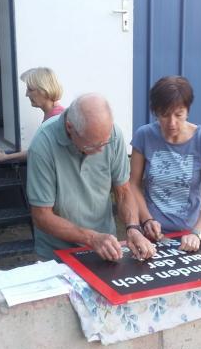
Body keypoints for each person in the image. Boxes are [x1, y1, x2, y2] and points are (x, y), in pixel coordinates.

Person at [26, 93, 155, 261]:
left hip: (105, 246)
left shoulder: (113, 135)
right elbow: (41, 216)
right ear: (70, 127)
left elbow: (123, 191)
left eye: (105, 142)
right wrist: (91, 238)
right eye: (93, 145)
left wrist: (133, 228)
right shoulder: (42, 145)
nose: (101, 150)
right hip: (57, 252)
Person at [129, 75, 201, 252]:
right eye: (164, 115)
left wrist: (197, 232)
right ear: (155, 112)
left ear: (188, 111)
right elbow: (133, 184)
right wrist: (147, 219)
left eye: (178, 115)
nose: (171, 123)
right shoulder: (144, 135)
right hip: (150, 234)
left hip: (189, 235)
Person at [0, 67, 65, 163]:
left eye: (30, 89)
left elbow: (40, 152)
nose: (27, 94)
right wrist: (7, 157)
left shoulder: (56, 119)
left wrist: (6, 157)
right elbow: (39, 151)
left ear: (45, 90)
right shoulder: (54, 114)